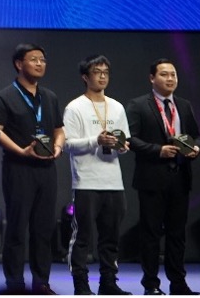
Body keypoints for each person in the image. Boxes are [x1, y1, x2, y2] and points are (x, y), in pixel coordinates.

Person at [0, 42, 65, 295]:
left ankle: (41, 281)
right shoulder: (5, 96)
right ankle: (14, 282)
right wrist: (20, 150)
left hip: (47, 169)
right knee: (16, 226)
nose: (39, 64)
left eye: (42, 60)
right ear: (18, 64)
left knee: (43, 228)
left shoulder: (50, 97)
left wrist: (58, 147)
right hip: (19, 168)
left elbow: (59, 129)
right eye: (34, 59)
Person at [126, 58, 200, 296]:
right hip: (152, 178)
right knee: (150, 235)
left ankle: (178, 284)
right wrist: (157, 150)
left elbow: (197, 136)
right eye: (164, 74)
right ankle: (151, 284)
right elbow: (130, 139)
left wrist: (196, 148)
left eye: (173, 75)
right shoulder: (138, 105)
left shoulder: (184, 105)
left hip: (180, 178)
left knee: (177, 235)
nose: (170, 79)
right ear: (152, 78)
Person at [62, 55, 132, 296]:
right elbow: (67, 144)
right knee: (82, 237)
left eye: (105, 72)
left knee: (111, 237)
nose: (102, 76)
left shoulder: (117, 107)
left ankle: (108, 283)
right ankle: (81, 285)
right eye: (96, 72)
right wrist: (96, 140)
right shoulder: (75, 107)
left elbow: (124, 140)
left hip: (114, 182)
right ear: (85, 77)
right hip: (86, 181)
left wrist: (122, 146)